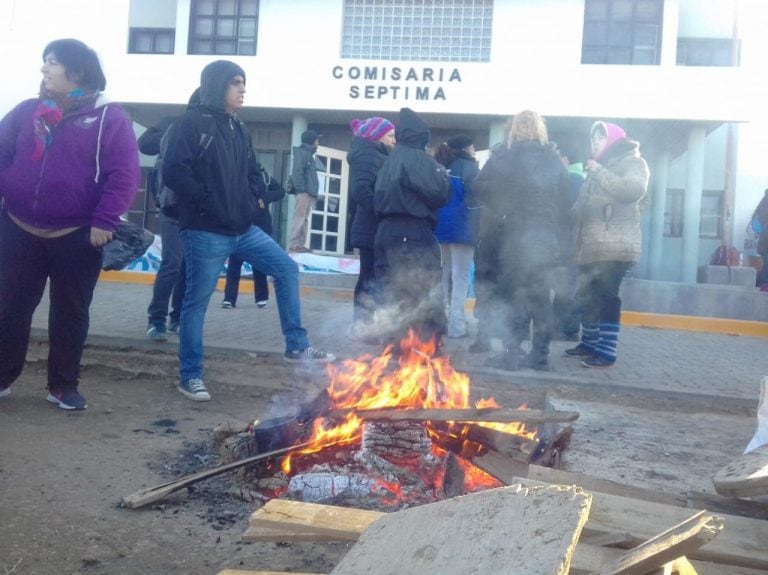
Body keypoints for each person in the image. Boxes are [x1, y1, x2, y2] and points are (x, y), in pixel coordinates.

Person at [162, 59, 334, 402]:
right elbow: (174, 172)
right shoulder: (191, 124)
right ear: (216, 85)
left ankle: (296, 346)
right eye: (235, 82)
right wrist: (207, 200)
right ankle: (190, 375)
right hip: (205, 230)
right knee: (196, 303)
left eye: (243, 82)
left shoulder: (238, 128)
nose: (243, 89)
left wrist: (254, 197)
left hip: (244, 227)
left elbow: (253, 171)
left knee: (286, 268)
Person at [0, 39, 140, 410]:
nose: (44, 70)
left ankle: (63, 386)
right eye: (44, 63)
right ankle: (1, 375)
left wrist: (105, 219)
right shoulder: (28, 112)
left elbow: (124, 174)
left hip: (77, 234)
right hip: (17, 228)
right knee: (9, 308)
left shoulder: (110, 118)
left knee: (70, 312)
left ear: (76, 72)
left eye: (51, 63)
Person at [472, 110, 569, 371]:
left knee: (513, 296)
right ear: (541, 129)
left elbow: (478, 188)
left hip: (514, 239)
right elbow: (566, 201)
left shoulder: (505, 157)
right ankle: (540, 356)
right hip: (546, 240)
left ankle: (511, 355)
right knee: (541, 299)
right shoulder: (554, 160)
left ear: (515, 129)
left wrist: (501, 208)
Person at [565, 120, 649, 368]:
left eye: (599, 139)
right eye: (592, 139)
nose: (594, 143)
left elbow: (633, 190)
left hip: (615, 246)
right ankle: (589, 343)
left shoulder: (633, 161)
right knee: (587, 295)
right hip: (591, 247)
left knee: (606, 297)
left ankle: (607, 350)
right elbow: (581, 208)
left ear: (612, 140)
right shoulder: (597, 169)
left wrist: (599, 172)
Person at [373, 107, 451, 347]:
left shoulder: (391, 158)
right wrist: (441, 174)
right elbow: (440, 192)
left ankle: (396, 345)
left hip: (386, 232)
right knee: (419, 288)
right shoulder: (417, 159)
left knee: (392, 290)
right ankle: (423, 346)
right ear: (421, 136)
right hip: (411, 232)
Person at [346, 116, 396, 336]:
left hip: (371, 227)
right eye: (391, 135)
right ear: (377, 136)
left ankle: (367, 325)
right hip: (370, 228)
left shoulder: (376, 154)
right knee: (369, 280)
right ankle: (362, 326)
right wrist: (382, 210)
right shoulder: (368, 154)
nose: (394, 140)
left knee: (371, 278)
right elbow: (360, 190)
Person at [434, 134, 480, 339]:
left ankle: (441, 321)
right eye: (472, 147)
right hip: (463, 229)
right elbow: (475, 202)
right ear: (465, 148)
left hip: (441, 228)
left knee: (444, 274)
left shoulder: (442, 166)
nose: (474, 151)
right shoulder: (470, 168)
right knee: (461, 278)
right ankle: (457, 326)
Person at [221, 163, 285, 308]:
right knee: (234, 262)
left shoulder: (262, 174)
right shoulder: (234, 174)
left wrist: (265, 198)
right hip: (239, 224)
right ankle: (229, 298)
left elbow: (280, 191)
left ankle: (261, 297)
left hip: (261, 225)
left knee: (259, 262)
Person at [551, 141, 586, 341]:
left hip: (568, 241)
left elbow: (564, 213)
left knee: (566, 286)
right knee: (568, 285)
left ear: (565, 159)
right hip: (574, 241)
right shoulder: (581, 178)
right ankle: (566, 328)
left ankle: (565, 329)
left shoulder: (572, 180)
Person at [288, 129, 322, 252]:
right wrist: (301, 188)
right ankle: (295, 245)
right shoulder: (303, 153)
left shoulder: (306, 154)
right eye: (317, 140)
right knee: (300, 217)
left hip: (308, 192)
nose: (318, 143)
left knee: (304, 218)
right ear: (312, 140)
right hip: (304, 192)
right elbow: (297, 172)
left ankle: (300, 245)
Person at [751, 188, 768, 289]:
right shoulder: (764, 207)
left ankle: (761, 284)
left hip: (762, 244)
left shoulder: (762, 205)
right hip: (764, 244)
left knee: (765, 267)